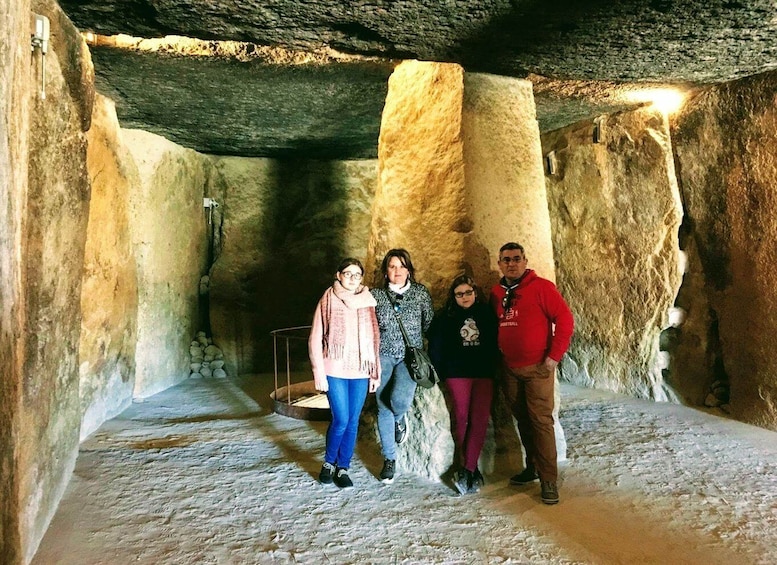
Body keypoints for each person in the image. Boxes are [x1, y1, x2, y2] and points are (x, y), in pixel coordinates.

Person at [490, 242, 574, 505]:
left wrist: (553, 357)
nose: (511, 263)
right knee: (523, 421)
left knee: (541, 422)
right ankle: (533, 467)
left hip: (538, 368)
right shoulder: (497, 292)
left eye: (516, 259)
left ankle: (549, 479)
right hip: (511, 368)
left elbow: (565, 319)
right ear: (499, 263)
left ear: (525, 260)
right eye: (506, 260)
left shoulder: (541, 288)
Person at [308, 258, 381, 489]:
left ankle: (343, 467)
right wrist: (318, 372)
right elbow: (315, 337)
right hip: (335, 368)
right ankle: (329, 462)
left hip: (360, 369)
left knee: (352, 421)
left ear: (362, 277)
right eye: (347, 273)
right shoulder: (328, 298)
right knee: (340, 419)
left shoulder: (367, 300)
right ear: (338, 275)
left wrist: (374, 372)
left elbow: (374, 339)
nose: (352, 278)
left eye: (357, 274)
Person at [428, 275, 499, 495]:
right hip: (457, 374)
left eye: (468, 292)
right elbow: (436, 347)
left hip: (483, 373)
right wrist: (442, 371)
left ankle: (468, 468)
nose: (464, 297)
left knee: (479, 420)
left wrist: (495, 367)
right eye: (460, 294)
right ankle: (469, 468)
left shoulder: (486, 314)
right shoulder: (446, 317)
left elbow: (496, 342)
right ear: (454, 297)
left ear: (475, 293)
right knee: (461, 418)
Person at [371, 249, 434, 484]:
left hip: (410, 357)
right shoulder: (375, 295)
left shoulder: (420, 293)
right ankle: (389, 459)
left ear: (409, 269)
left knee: (398, 400)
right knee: (381, 405)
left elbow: (428, 323)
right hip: (383, 355)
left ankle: (400, 419)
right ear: (386, 271)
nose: (397, 271)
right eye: (392, 266)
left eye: (401, 266)